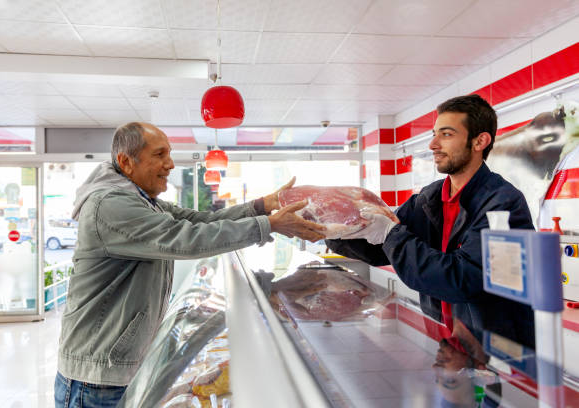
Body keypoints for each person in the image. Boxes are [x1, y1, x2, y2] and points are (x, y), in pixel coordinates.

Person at [54, 122, 325, 407]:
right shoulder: (111, 205)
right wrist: (268, 225)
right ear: (125, 161)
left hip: (115, 370)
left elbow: (199, 221)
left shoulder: (143, 200)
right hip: (97, 378)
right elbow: (185, 238)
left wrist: (260, 207)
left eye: (169, 154)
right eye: (159, 155)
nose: (170, 164)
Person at [327, 94, 535, 348]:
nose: (433, 144)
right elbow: (380, 250)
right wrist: (331, 227)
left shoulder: (503, 203)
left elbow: (462, 279)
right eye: (434, 134)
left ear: (480, 141)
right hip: (444, 343)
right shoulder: (429, 198)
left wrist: (391, 234)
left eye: (446, 134)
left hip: (493, 353)